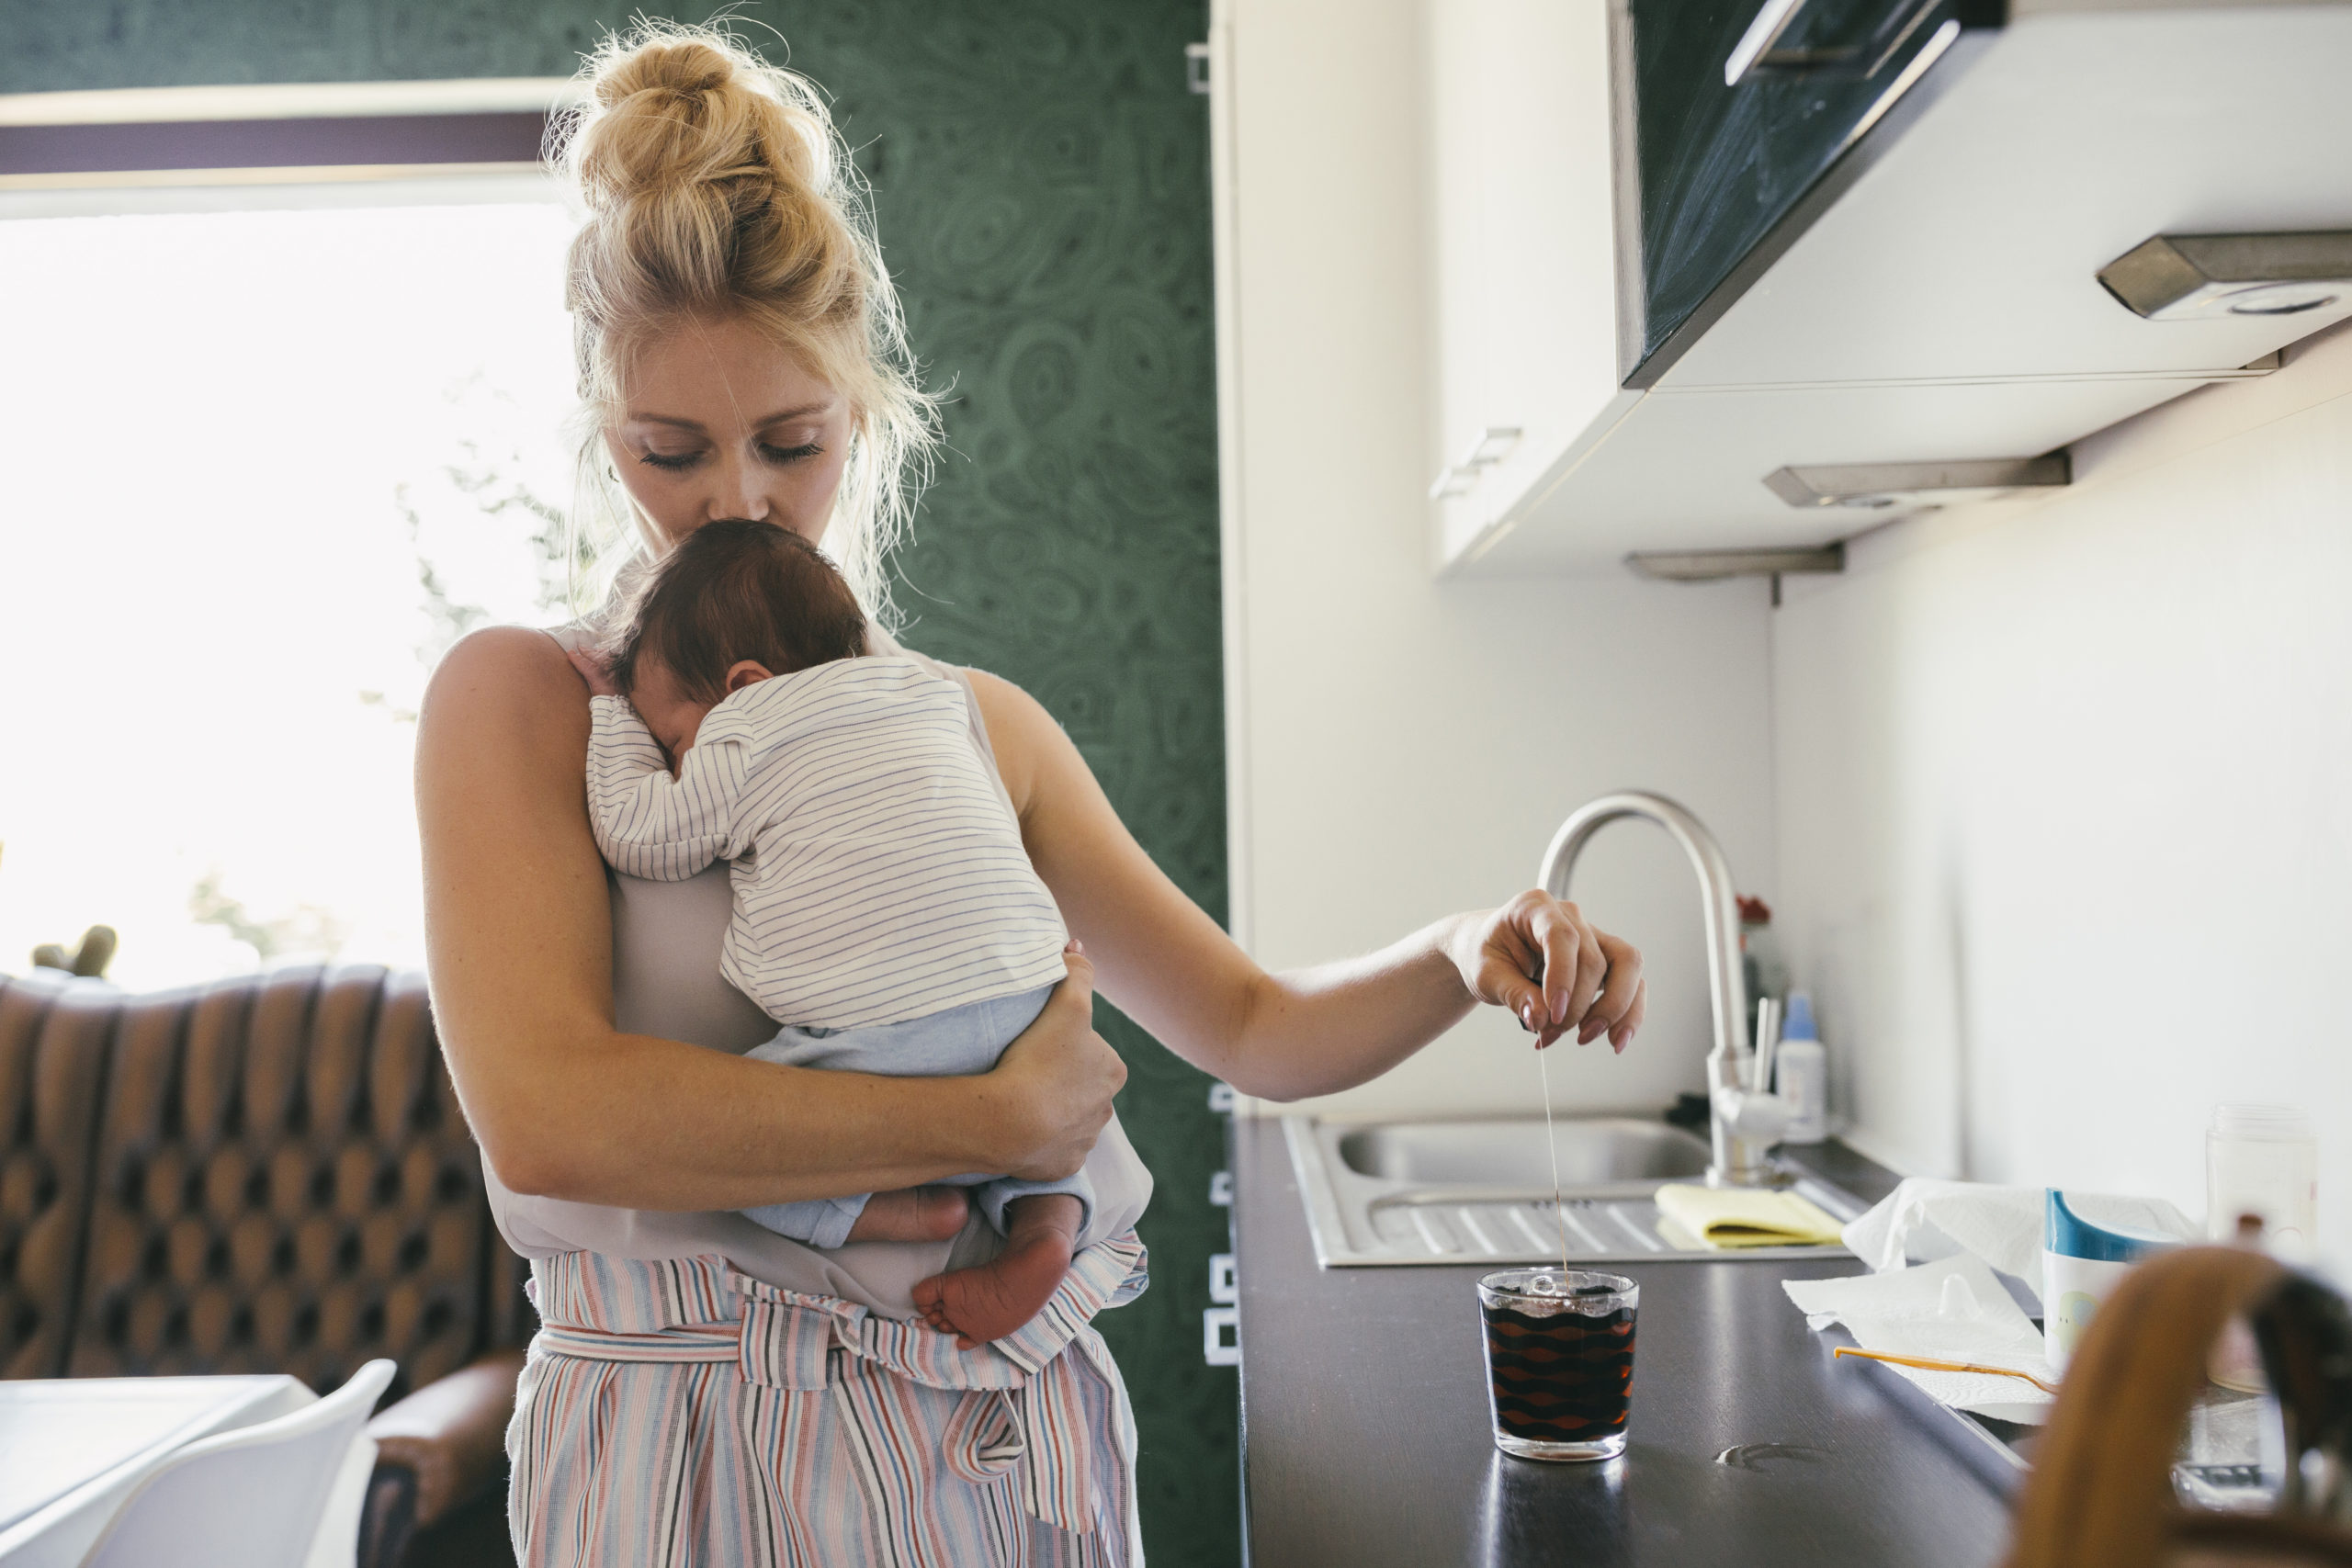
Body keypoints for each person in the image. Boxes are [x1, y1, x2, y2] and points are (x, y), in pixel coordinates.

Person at [414, 20, 1647, 1566]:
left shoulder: (977, 730)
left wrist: (1464, 948)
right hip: (681, 1458)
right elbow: (547, 1118)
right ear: (610, 441)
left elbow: (1256, 1027)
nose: (737, 500)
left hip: (1002, 1447)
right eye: (676, 451)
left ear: (860, 420)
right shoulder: (529, 703)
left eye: (789, 442)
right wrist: (987, 1114)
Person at [573, 517, 1102, 1348]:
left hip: (887, 1026)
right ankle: (1047, 1229)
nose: (678, 760)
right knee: (1060, 1143)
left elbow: (642, 835)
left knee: (725, 1148)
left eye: (674, 739)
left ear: (744, 683)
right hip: (1027, 998)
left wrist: (612, 718)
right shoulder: (929, 693)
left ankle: (897, 1209)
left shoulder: (750, 726)